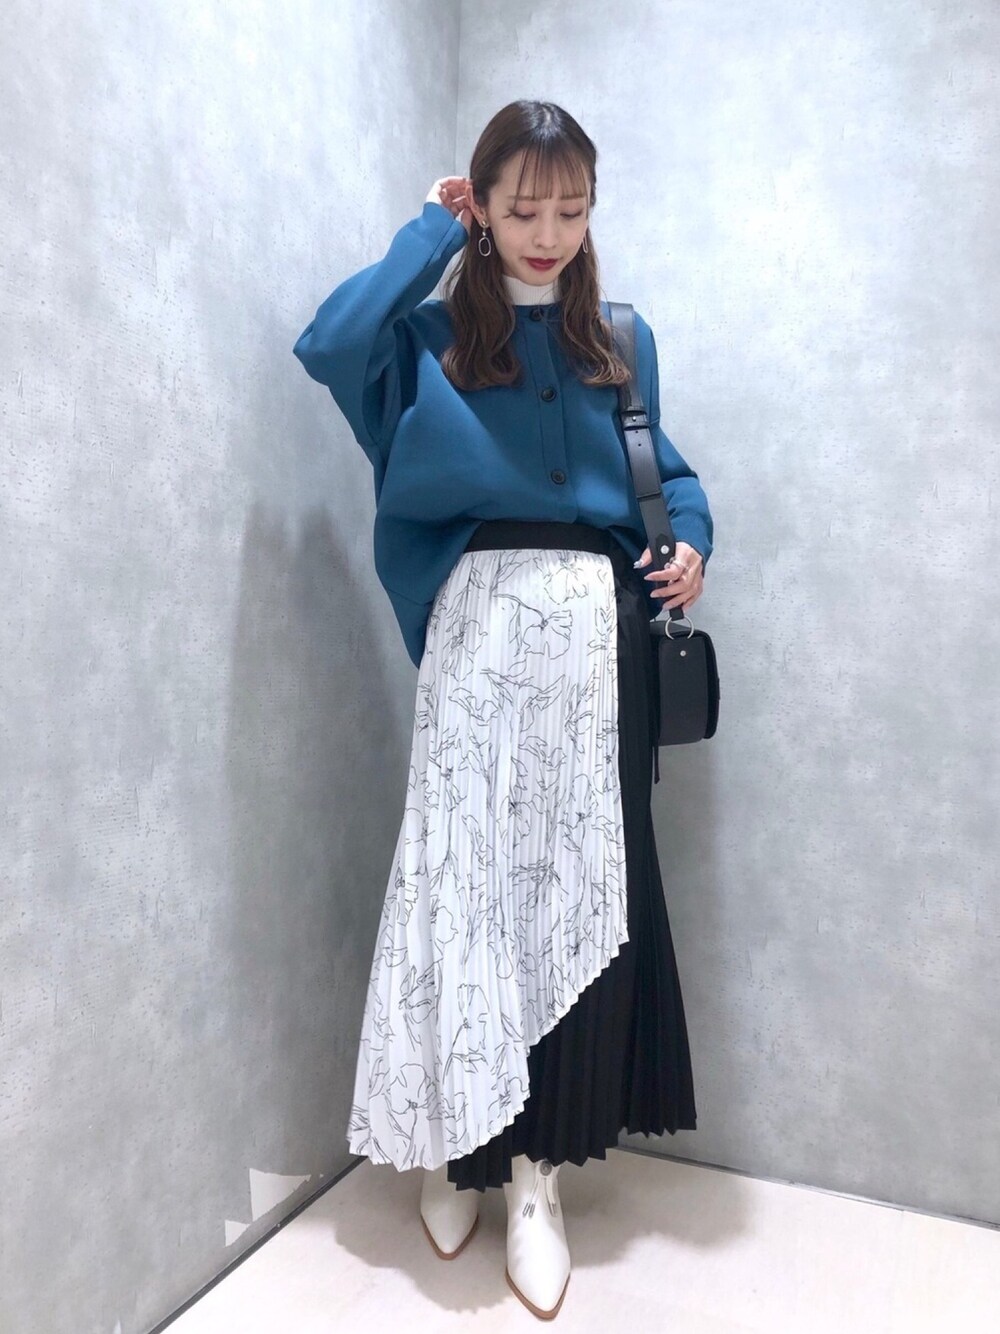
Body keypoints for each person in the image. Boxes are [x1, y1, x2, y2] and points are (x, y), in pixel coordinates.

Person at [292, 99, 713, 1322]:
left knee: (569, 894)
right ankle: (449, 1143)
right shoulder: (425, 338)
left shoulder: (617, 339)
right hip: (475, 638)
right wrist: (431, 234)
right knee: (461, 887)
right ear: (481, 205)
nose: (548, 232)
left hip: (594, 642)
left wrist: (690, 540)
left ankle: (536, 1178)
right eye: (522, 208)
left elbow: (668, 472)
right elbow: (328, 343)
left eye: (571, 209)